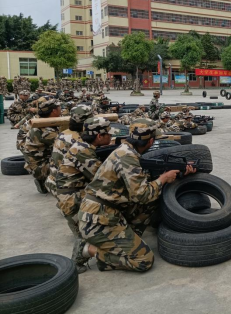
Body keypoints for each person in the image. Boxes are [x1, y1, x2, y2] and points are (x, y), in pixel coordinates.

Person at [76, 119, 196, 272]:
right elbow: (142, 195)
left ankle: (128, 238)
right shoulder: (127, 157)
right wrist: (163, 179)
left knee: (152, 202)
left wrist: (179, 173)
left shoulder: (128, 150)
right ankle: (88, 249)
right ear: (151, 141)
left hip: (108, 210)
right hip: (98, 220)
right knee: (143, 261)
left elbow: (140, 182)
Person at [56, 117, 111, 273]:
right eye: (108, 134)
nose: (110, 136)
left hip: (71, 196)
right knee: (113, 203)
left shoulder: (82, 145)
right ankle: (79, 255)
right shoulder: (83, 151)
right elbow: (103, 179)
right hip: (72, 200)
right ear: (99, 136)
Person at [45, 105, 94, 200]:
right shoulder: (79, 141)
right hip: (66, 188)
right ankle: (70, 205)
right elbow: (94, 172)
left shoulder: (64, 133)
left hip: (53, 181)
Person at [21, 97, 61, 194]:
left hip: (40, 161)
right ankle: (48, 183)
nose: (61, 109)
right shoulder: (45, 130)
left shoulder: (43, 121)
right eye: (60, 108)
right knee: (72, 161)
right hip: (40, 167)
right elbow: (66, 145)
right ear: (54, 111)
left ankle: (45, 180)